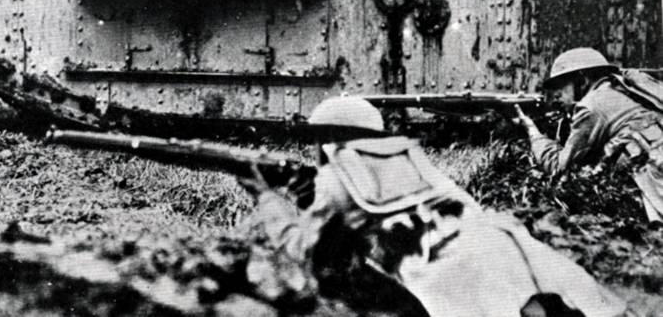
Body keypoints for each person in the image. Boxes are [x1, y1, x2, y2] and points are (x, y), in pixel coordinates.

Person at [241, 95, 625, 317]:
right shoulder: (418, 165)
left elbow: (303, 250)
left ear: (325, 140)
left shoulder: (336, 177)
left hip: (453, 281)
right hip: (511, 252)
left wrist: (268, 200)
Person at [514, 47, 663, 222]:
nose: (557, 98)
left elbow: (558, 168)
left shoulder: (591, 106)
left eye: (560, 90)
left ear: (581, 80)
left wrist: (533, 132)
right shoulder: (623, 88)